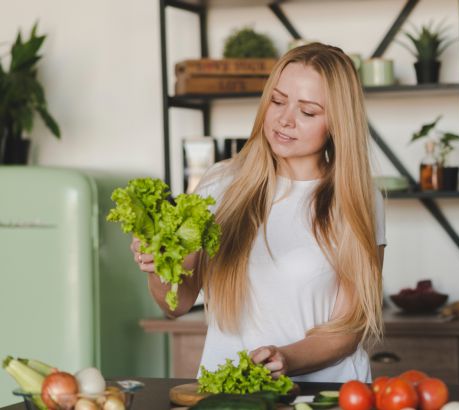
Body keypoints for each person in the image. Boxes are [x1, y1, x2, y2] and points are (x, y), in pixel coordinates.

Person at [130, 43, 386, 382]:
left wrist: (285, 359)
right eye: (277, 101)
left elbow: (349, 328)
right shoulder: (221, 184)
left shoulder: (358, 198)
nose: (284, 119)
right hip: (227, 395)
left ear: (338, 123)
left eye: (308, 111)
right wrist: (158, 264)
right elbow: (176, 304)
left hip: (324, 395)